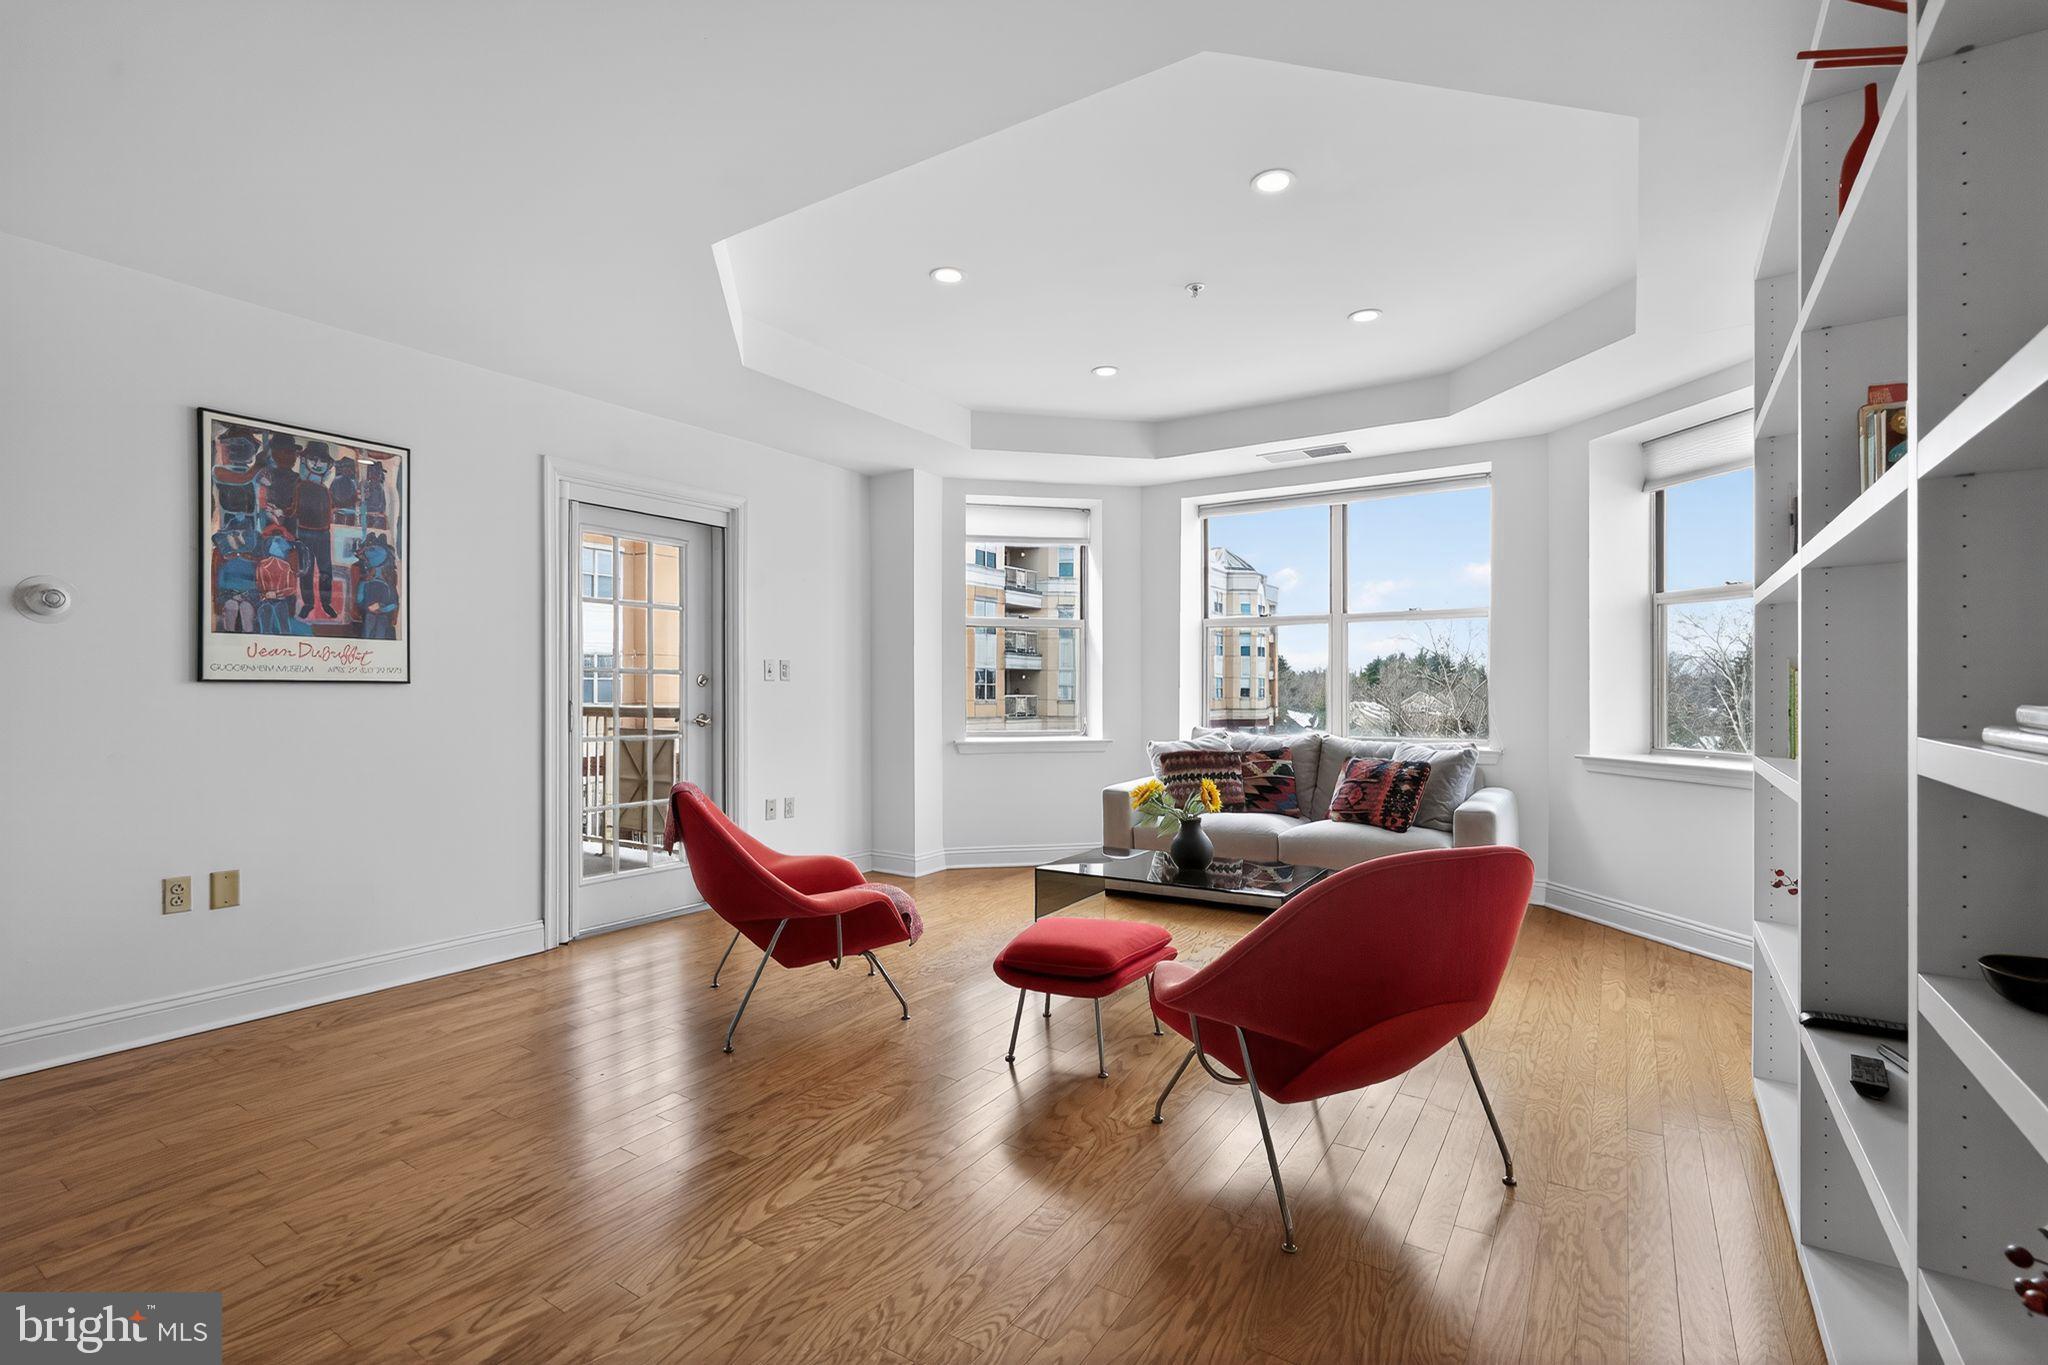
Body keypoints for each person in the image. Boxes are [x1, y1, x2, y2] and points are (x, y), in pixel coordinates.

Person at [293, 442, 337, 618]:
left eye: (322, 461)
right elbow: (294, 508)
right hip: (304, 532)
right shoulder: (300, 485)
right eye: (312, 459)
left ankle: (326, 603)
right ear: (304, 460)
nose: (318, 464)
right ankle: (308, 604)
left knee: (326, 571)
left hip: (323, 533)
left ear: (328, 465)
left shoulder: (325, 489)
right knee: (306, 571)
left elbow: (330, 508)